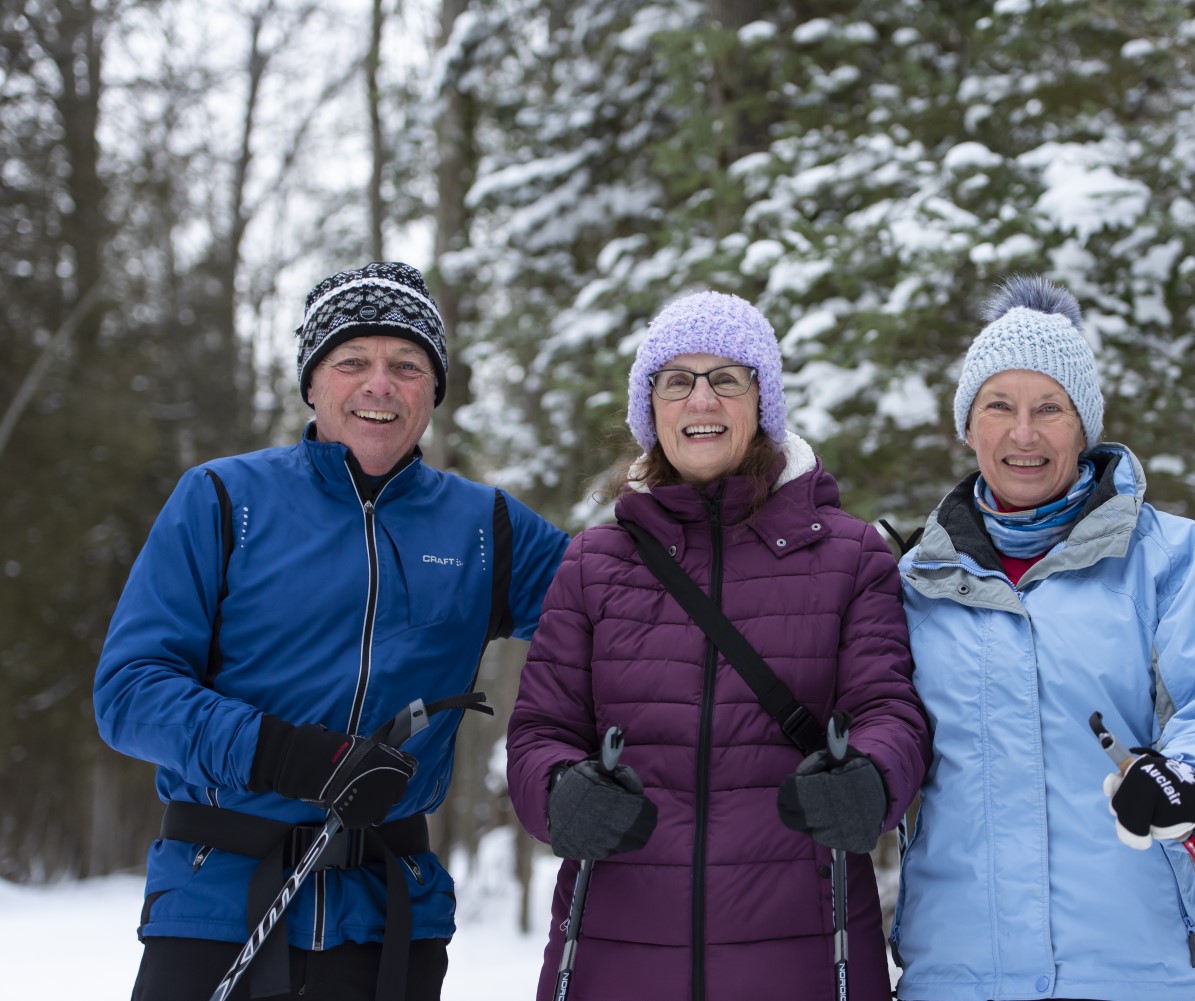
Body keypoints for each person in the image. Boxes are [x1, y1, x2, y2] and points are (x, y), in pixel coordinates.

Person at [94, 261, 570, 1001]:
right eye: (352, 361)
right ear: (311, 383)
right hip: (217, 908)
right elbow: (129, 692)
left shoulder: (487, 528)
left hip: (387, 924)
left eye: (407, 365)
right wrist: (288, 755)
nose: (379, 384)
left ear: (433, 392)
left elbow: (627, 616)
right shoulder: (225, 499)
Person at [506, 290, 930, 1001]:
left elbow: (892, 711)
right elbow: (539, 732)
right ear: (652, 409)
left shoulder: (851, 555)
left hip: (806, 956)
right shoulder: (593, 562)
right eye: (677, 381)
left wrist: (872, 778)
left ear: (761, 400)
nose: (700, 399)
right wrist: (558, 791)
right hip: (616, 953)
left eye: (725, 378)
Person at [889, 275, 1195, 1001]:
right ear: (967, 424)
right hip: (960, 976)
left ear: (1084, 425)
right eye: (999, 406)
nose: (1024, 433)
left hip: (1142, 973)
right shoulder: (916, 580)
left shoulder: (1167, 557)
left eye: (1050, 407)